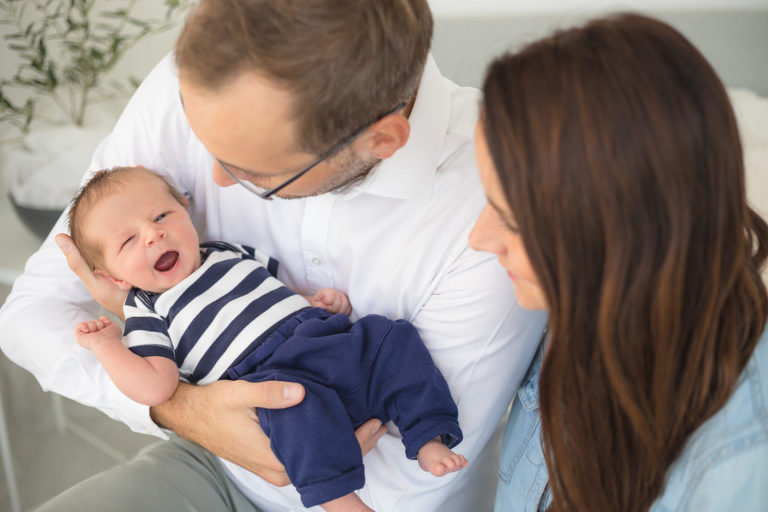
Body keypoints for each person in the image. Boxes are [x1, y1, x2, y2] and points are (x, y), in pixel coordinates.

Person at [0, 1, 546, 511]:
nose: (209, 181)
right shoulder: (200, 78)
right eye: (202, 142)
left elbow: (407, 487)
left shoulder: (501, 197)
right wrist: (187, 412)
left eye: (253, 174)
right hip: (215, 466)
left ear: (382, 140)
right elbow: (30, 315)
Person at [469, 13, 768, 512]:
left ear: (622, 239)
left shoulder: (737, 467)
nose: (479, 239)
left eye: (514, 222)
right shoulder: (578, 315)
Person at [69, 165, 467, 511]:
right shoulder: (147, 309)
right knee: (290, 413)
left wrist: (313, 301)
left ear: (185, 209)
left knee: (389, 336)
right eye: (128, 241)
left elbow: (273, 288)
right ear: (115, 278)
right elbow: (156, 386)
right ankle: (340, 499)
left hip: (322, 338)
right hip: (269, 379)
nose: (153, 235)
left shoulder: (225, 250)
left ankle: (428, 434)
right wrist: (107, 346)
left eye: (161, 215)